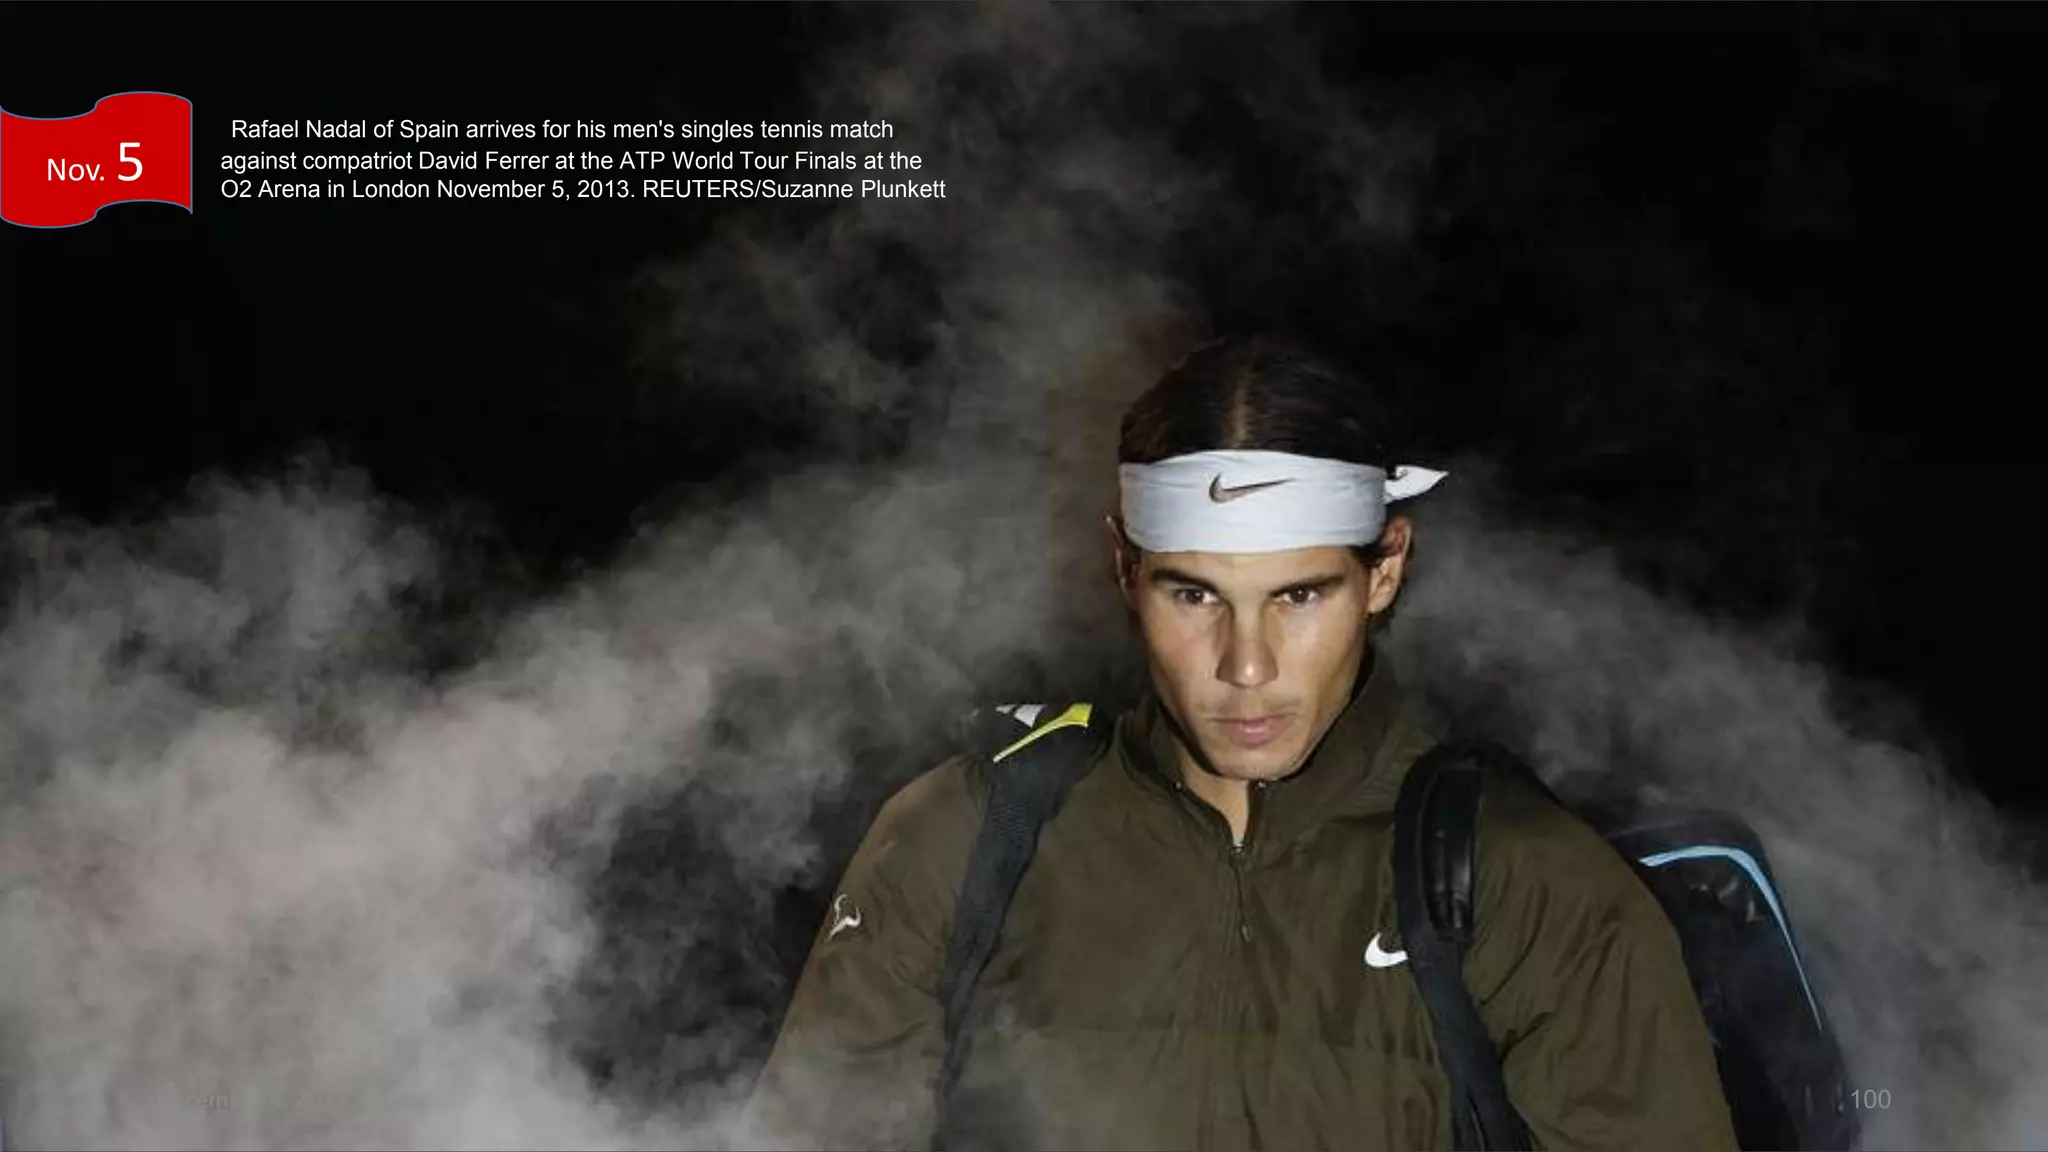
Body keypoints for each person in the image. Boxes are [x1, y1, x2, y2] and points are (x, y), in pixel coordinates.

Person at [741, 336, 1739, 1150]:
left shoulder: (1523, 882)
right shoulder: (959, 841)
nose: (1245, 665)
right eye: (1193, 594)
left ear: (1383, 571)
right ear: (1123, 568)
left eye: (1299, 595)